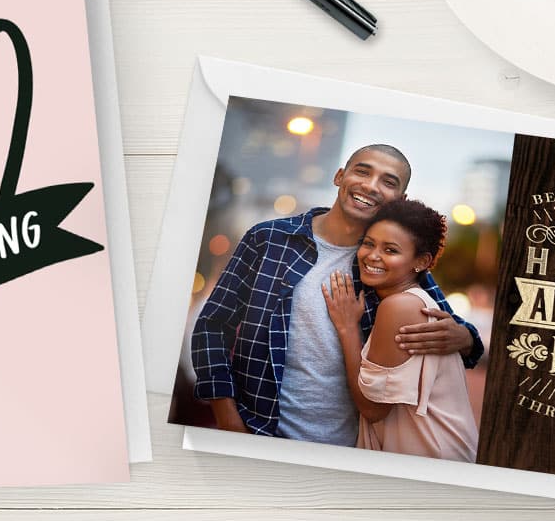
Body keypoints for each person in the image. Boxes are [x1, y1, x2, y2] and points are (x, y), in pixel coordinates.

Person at [190, 144, 484, 443]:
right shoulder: (268, 240)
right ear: (340, 176)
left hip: (350, 446)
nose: (370, 186)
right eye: (362, 171)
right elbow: (212, 326)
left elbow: (461, 335)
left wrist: (465, 338)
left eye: (388, 181)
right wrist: (227, 417)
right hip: (258, 430)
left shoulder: (392, 265)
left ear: (400, 200)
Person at [323, 199, 478, 461]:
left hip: (431, 455)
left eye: (391, 250)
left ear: (421, 262)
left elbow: (372, 408)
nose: (372, 255)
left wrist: (348, 328)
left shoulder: (400, 306)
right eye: (369, 243)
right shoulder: (411, 300)